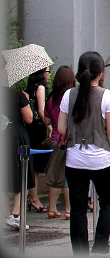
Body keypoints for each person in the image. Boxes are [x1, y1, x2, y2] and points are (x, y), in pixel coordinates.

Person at [57, 51, 110, 254]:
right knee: (108, 203)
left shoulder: (69, 95)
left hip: (74, 158)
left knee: (78, 209)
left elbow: (61, 128)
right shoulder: (107, 95)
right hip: (101, 158)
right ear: (101, 72)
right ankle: (100, 246)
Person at [43, 65, 75, 219]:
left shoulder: (51, 98)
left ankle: (52, 208)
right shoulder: (72, 97)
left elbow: (47, 120)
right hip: (69, 139)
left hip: (55, 139)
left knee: (56, 175)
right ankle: (69, 210)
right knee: (69, 176)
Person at [3, 82, 34, 230]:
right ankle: (15, 215)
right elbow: (29, 118)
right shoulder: (17, 95)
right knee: (22, 172)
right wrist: (26, 101)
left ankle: (4, 215)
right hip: (16, 138)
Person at [24, 67, 52, 213]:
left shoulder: (30, 88)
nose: (49, 75)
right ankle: (34, 198)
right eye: (48, 72)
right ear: (42, 73)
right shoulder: (40, 88)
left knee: (32, 164)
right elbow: (41, 110)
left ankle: (32, 197)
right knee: (36, 166)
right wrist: (49, 126)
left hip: (30, 127)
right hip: (38, 128)